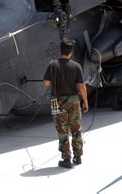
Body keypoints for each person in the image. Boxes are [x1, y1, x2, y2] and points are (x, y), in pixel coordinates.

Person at [43, 39, 89, 168]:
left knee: (62, 131)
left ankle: (66, 159)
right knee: (76, 129)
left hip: (57, 102)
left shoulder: (52, 65)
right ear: (71, 52)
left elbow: (46, 83)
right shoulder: (76, 66)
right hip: (73, 101)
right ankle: (78, 157)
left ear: (60, 50)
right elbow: (81, 86)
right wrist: (85, 102)